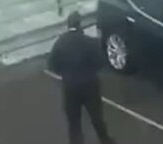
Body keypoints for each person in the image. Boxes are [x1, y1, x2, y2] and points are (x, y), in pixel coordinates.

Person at [48, 11, 115, 144]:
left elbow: (52, 65)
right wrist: (90, 72)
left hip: (70, 88)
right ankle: (105, 140)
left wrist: (65, 74)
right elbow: (101, 61)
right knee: (96, 118)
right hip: (90, 85)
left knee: (74, 123)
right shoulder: (89, 42)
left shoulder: (60, 43)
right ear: (80, 25)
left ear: (68, 25)